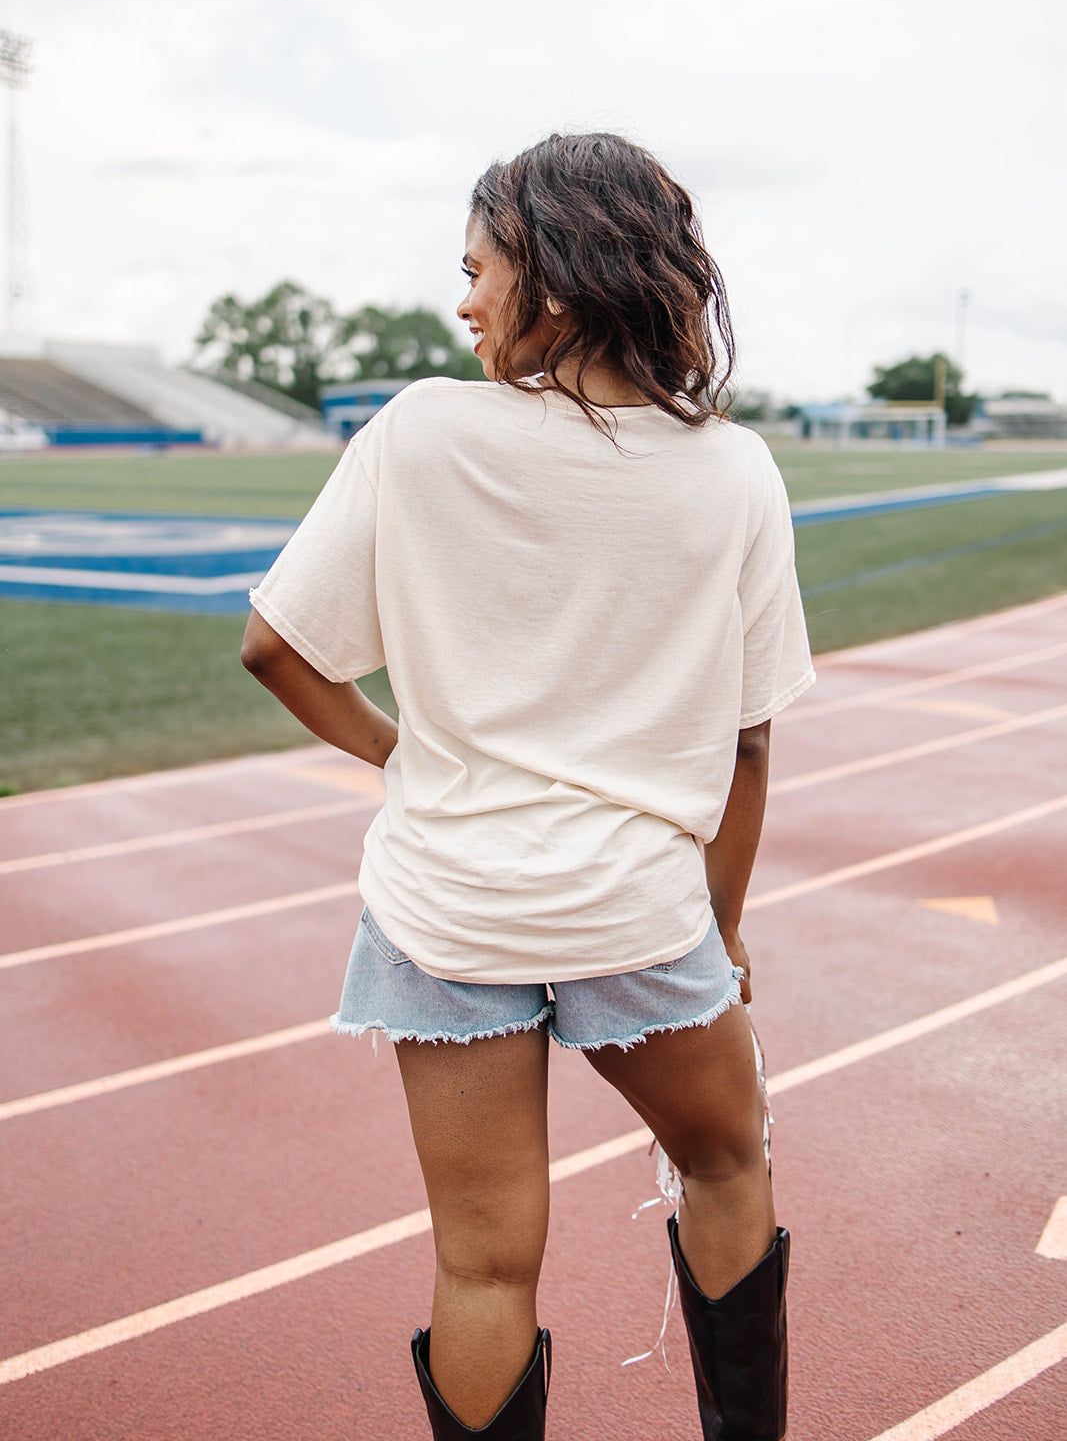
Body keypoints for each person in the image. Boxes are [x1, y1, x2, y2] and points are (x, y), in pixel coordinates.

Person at [240, 130, 816, 1440]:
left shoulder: (423, 432)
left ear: (551, 280)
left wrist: (410, 758)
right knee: (726, 1162)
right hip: (635, 904)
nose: (464, 300)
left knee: (483, 1261)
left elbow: (276, 646)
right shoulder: (732, 468)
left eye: (478, 269)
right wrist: (720, 938)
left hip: (446, 905)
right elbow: (748, 744)